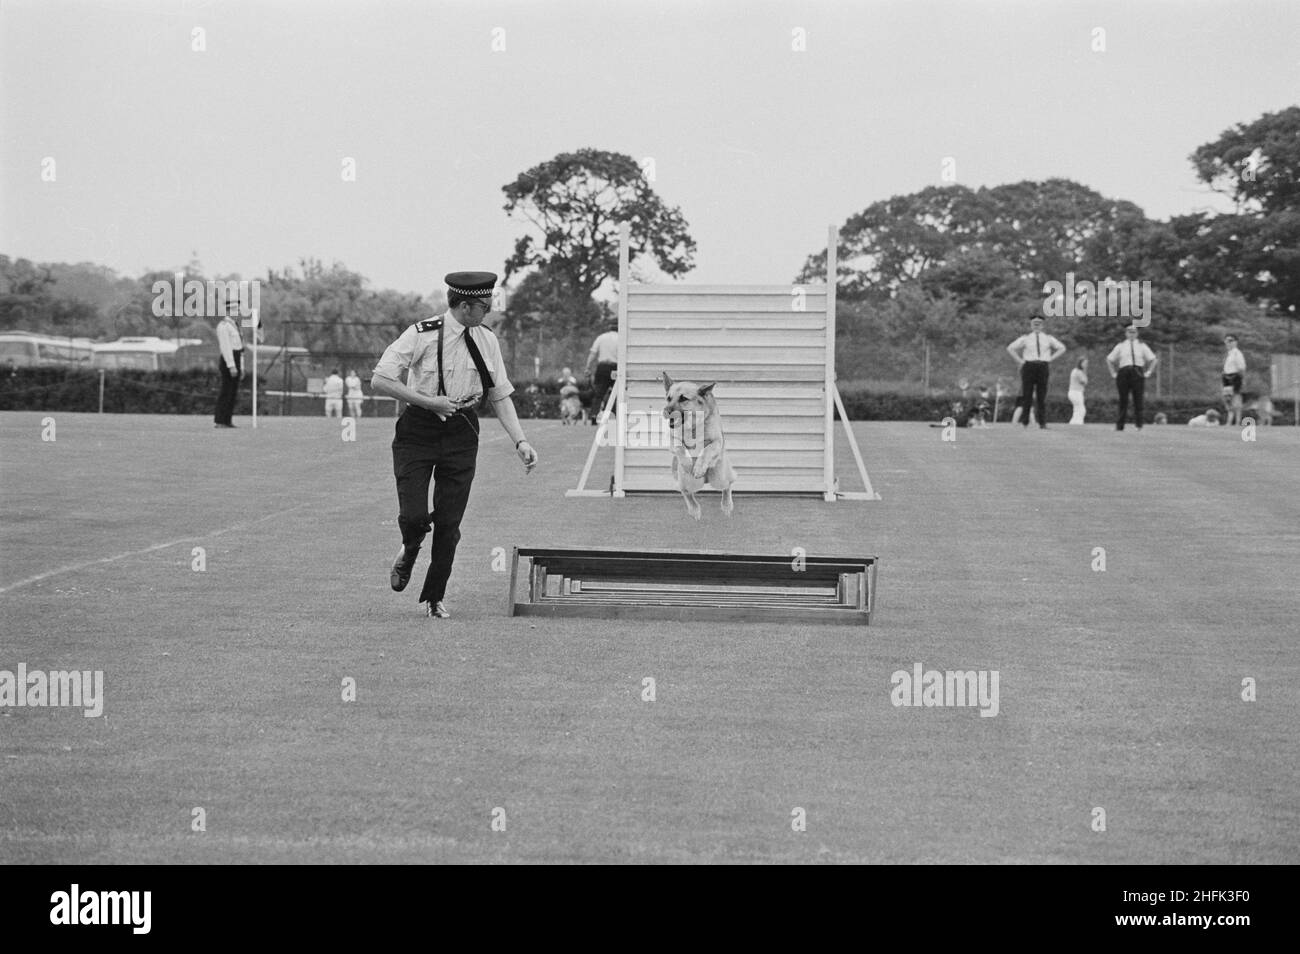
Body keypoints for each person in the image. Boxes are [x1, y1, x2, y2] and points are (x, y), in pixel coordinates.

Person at [369, 272, 538, 619]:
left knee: (449, 522)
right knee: (414, 515)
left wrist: (520, 440)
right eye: (484, 307)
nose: (488, 313)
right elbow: (381, 378)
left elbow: (499, 394)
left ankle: (434, 597)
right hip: (418, 428)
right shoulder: (423, 334)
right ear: (464, 306)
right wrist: (429, 403)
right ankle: (410, 545)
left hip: (462, 429)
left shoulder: (487, 340)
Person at [1006, 316, 1066, 429]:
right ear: (1031, 325)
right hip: (1029, 366)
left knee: (1041, 395)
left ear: (1042, 325)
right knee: (1027, 395)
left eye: (1039, 323)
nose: (1037, 326)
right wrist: (1020, 361)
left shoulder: (1048, 338)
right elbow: (1010, 348)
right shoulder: (1026, 338)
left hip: (1043, 366)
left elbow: (1062, 348)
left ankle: (1042, 423)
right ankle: (1025, 422)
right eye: (1034, 323)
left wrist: (1050, 358)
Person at [1105, 325, 1159, 431]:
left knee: (1138, 400)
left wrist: (1148, 372)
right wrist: (1113, 373)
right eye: (1130, 332)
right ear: (1126, 333)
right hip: (1124, 372)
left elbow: (1153, 359)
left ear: (1137, 334)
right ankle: (1120, 426)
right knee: (1123, 400)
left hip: (1137, 372)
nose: (1131, 334)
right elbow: (1109, 359)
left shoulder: (1142, 346)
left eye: (1133, 332)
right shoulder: (1120, 346)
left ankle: (1139, 425)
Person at [213, 305, 244, 428]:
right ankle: (220, 420)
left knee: (232, 392)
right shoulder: (223, 326)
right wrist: (231, 365)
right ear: (227, 311)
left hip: (236, 357)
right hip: (228, 359)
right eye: (233, 310)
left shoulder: (235, 325)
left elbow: (240, 348)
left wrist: (241, 366)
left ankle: (227, 420)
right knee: (226, 391)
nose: (236, 312)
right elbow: (226, 347)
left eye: (237, 310)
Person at [585, 316, 619, 423]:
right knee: (616, 393)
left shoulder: (601, 337)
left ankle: (594, 415)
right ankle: (612, 415)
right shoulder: (621, 338)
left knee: (599, 393)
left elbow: (593, 353)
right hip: (616, 367)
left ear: (609, 326)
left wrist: (588, 367)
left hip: (602, 367)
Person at [1221, 334, 1246, 426]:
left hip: (1235, 377)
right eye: (1226, 341)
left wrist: (1241, 380)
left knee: (1236, 400)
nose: (1228, 343)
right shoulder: (1228, 354)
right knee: (1228, 401)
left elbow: (1242, 368)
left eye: (1230, 340)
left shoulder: (1237, 353)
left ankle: (1238, 421)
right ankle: (1229, 421)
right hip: (1226, 377)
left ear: (1236, 342)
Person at [1067, 358, 1089, 424]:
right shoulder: (1078, 372)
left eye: (1087, 363)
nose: (1086, 365)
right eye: (1084, 363)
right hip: (1076, 392)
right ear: (1080, 363)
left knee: (1077, 409)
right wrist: (1085, 372)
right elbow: (1084, 382)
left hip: (1073, 392)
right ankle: (1079, 423)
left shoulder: (1075, 370)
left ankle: (1073, 423)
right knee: (1081, 409)